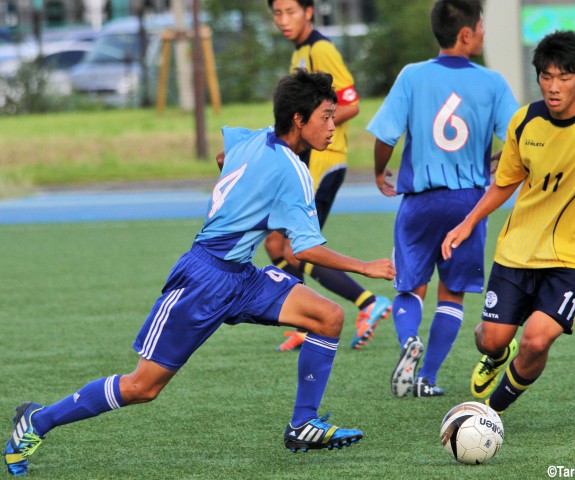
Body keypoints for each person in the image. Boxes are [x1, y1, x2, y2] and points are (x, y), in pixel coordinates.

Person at [3, 70, 396, 476]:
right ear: (298, 119)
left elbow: (224, 157)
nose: (333, 126)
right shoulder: (293, 171)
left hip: (242, 276)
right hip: (203, 278)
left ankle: (303, 425)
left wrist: (243, 200)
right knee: (143, 387)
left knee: (327, 317)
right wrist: (365, 267)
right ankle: (37, 421)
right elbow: (306, 249)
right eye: (327, 117)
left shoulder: (254, 135)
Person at [441, 30, 575, 414]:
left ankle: (489, 413)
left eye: (564, 77)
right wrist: (468, 223)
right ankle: (498, 355)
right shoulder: (525, 122)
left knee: (536, 340)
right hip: (518, 249)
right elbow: (505, 182)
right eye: (546, 77)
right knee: (490, 339)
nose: (554, 86)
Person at [366, 0, 518, 398]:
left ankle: (407, 342)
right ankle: (427, 378)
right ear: (465, 34)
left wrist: (380, 171)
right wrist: (496, 162)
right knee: (451, 292)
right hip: (468, 202)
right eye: (481, 27)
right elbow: (519, 142)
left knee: (409, 286)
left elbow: (385, 135)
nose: (484, 33)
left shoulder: (412, 76)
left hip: (420, 202)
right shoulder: (493, 83)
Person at [267, 0, 392, 352]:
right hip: (307, 159)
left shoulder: (321, 48)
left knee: (297, 247)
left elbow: (351, 102)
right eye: (277, 13)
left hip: (324, 159)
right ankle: (304, 321)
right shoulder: (300, 53)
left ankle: (368, 302)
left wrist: (314, 129)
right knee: (277, 244)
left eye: (291, 11)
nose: (283, 20)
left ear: (309, 12)